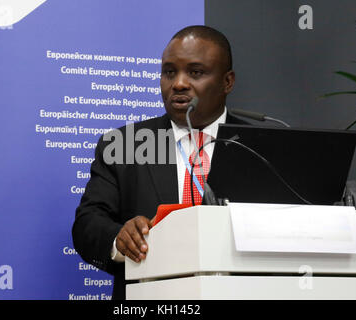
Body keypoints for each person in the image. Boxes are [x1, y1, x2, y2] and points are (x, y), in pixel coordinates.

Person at [72, 25, 247, 300]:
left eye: (195, 72)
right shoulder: (125, 144)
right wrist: (119, 238)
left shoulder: (259, 145)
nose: (178, 83)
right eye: (169, 72)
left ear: (227, 82)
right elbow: (87, 225)